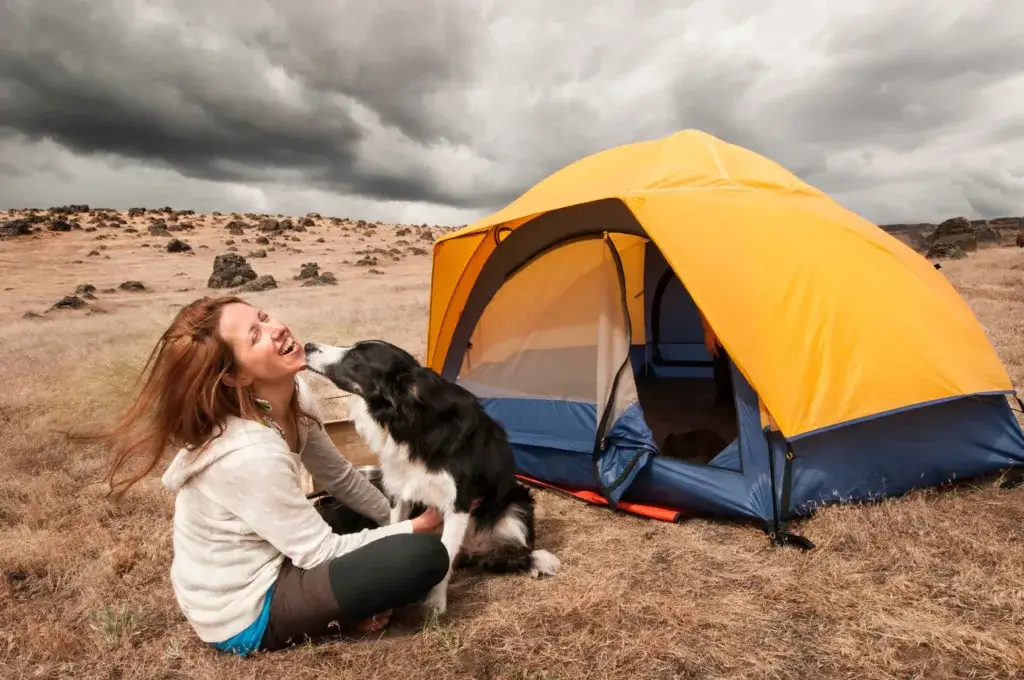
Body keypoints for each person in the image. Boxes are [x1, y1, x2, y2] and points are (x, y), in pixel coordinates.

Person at [86, 295, 451, 655]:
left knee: (384, 500)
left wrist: (394, 517)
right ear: (235, 375)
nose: (275, 329)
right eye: (255, 335)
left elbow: (339, 478)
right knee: (422, 556)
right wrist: (417, 527)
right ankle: (341, 613)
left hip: (279, 552)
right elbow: (320, 552)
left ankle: (357, 589)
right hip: (246, 608)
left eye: (263, 317)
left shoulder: (296, 394)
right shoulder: (249, 452)